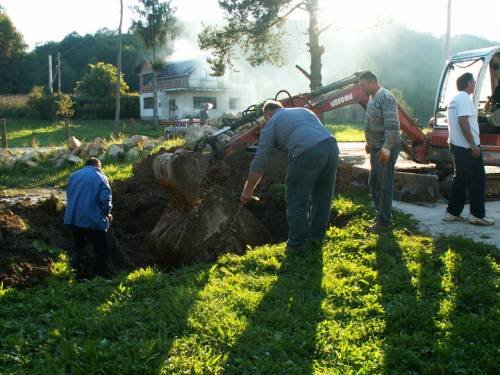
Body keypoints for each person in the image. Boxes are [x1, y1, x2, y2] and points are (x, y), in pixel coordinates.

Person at [240, 100, 339, 251]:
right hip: (331, 147)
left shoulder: (271, 123)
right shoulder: (304, 111)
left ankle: (297, 244)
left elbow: (260, 160)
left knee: (297, 200)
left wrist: (248, 190)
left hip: (305, 152)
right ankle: (316, 238)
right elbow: (315, 132)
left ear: (267, 114)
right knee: (322, 198)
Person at [444, 72, 495, 225]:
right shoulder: (465, 99)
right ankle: (477, 215)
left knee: (460, 179)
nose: (474, 84)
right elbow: (463, 121)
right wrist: (473, 145)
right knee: (477, 179)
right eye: (473, 81)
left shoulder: (454, 99)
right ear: (467, 83)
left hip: (456, 145)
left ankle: (452, 212)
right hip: (467, 147)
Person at [359, 71, 401, 230]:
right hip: (376, 147)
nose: (362, 89)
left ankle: (384, 221)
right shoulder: (373, 97)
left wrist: (386, 148)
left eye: (363, 86)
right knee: (374, 182)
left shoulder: (386, 98)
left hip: (385, 147)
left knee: (384, 184)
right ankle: (381, 215)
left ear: (371, 83)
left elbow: (393, 126)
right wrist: (370, 142)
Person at [64, 157, 113, 278]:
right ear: (98, 166)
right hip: (93, 220)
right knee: (101, 250)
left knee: (78, 247)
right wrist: (107, 214)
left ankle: (71, 272)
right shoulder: (100, 177)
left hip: (73, 219)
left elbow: (69, 194)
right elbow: (105, 199)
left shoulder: (73, 175)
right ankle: (98, 276)